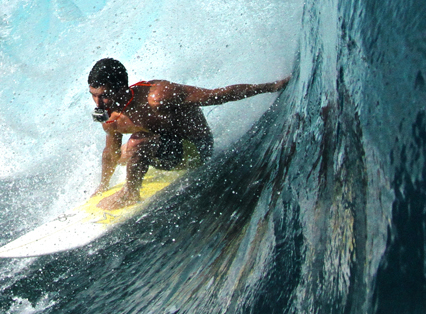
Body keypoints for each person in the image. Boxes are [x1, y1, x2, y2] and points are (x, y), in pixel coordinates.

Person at [87, 58, 290, 209]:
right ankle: (135, 167)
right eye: (94, 96)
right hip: (164, 149)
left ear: (122, 88)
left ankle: (130, 193)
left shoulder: (158, 96)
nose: (98, 103)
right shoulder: (111, 117)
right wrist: (102, 186)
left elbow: (217, 95)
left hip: (196, 148)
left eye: (103, 96)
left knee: (137, 143)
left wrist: (271, 87)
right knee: (122, 153)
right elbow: (110, 153)